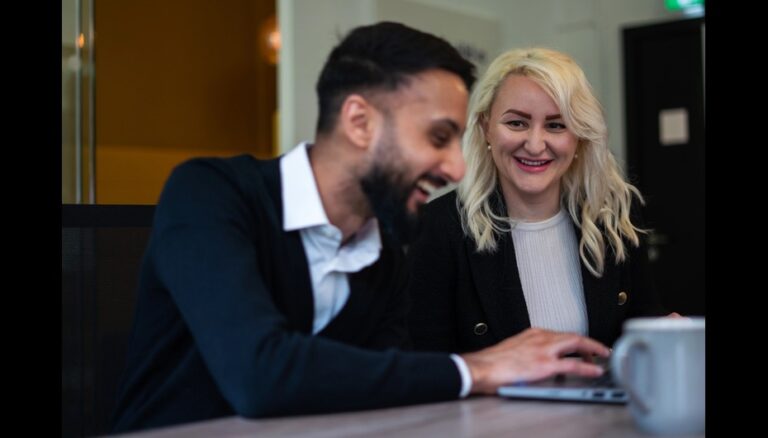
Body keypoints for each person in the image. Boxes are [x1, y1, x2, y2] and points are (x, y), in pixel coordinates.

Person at [111, 27, 609, 433]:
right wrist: (478, 368)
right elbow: (260, 375)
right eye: (437, 137)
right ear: (359, 121)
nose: (456, 168)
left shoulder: (387, 250)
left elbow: (385, 391)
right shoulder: (210, 194)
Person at [406, 47, 675, 354]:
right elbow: (426, 365)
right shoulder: (437, 229)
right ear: (485, 128)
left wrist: (664, 335)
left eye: (556, 125)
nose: (535, 145)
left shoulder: (612, 216)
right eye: (516, 123)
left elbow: (642, 325)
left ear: (578, 138)